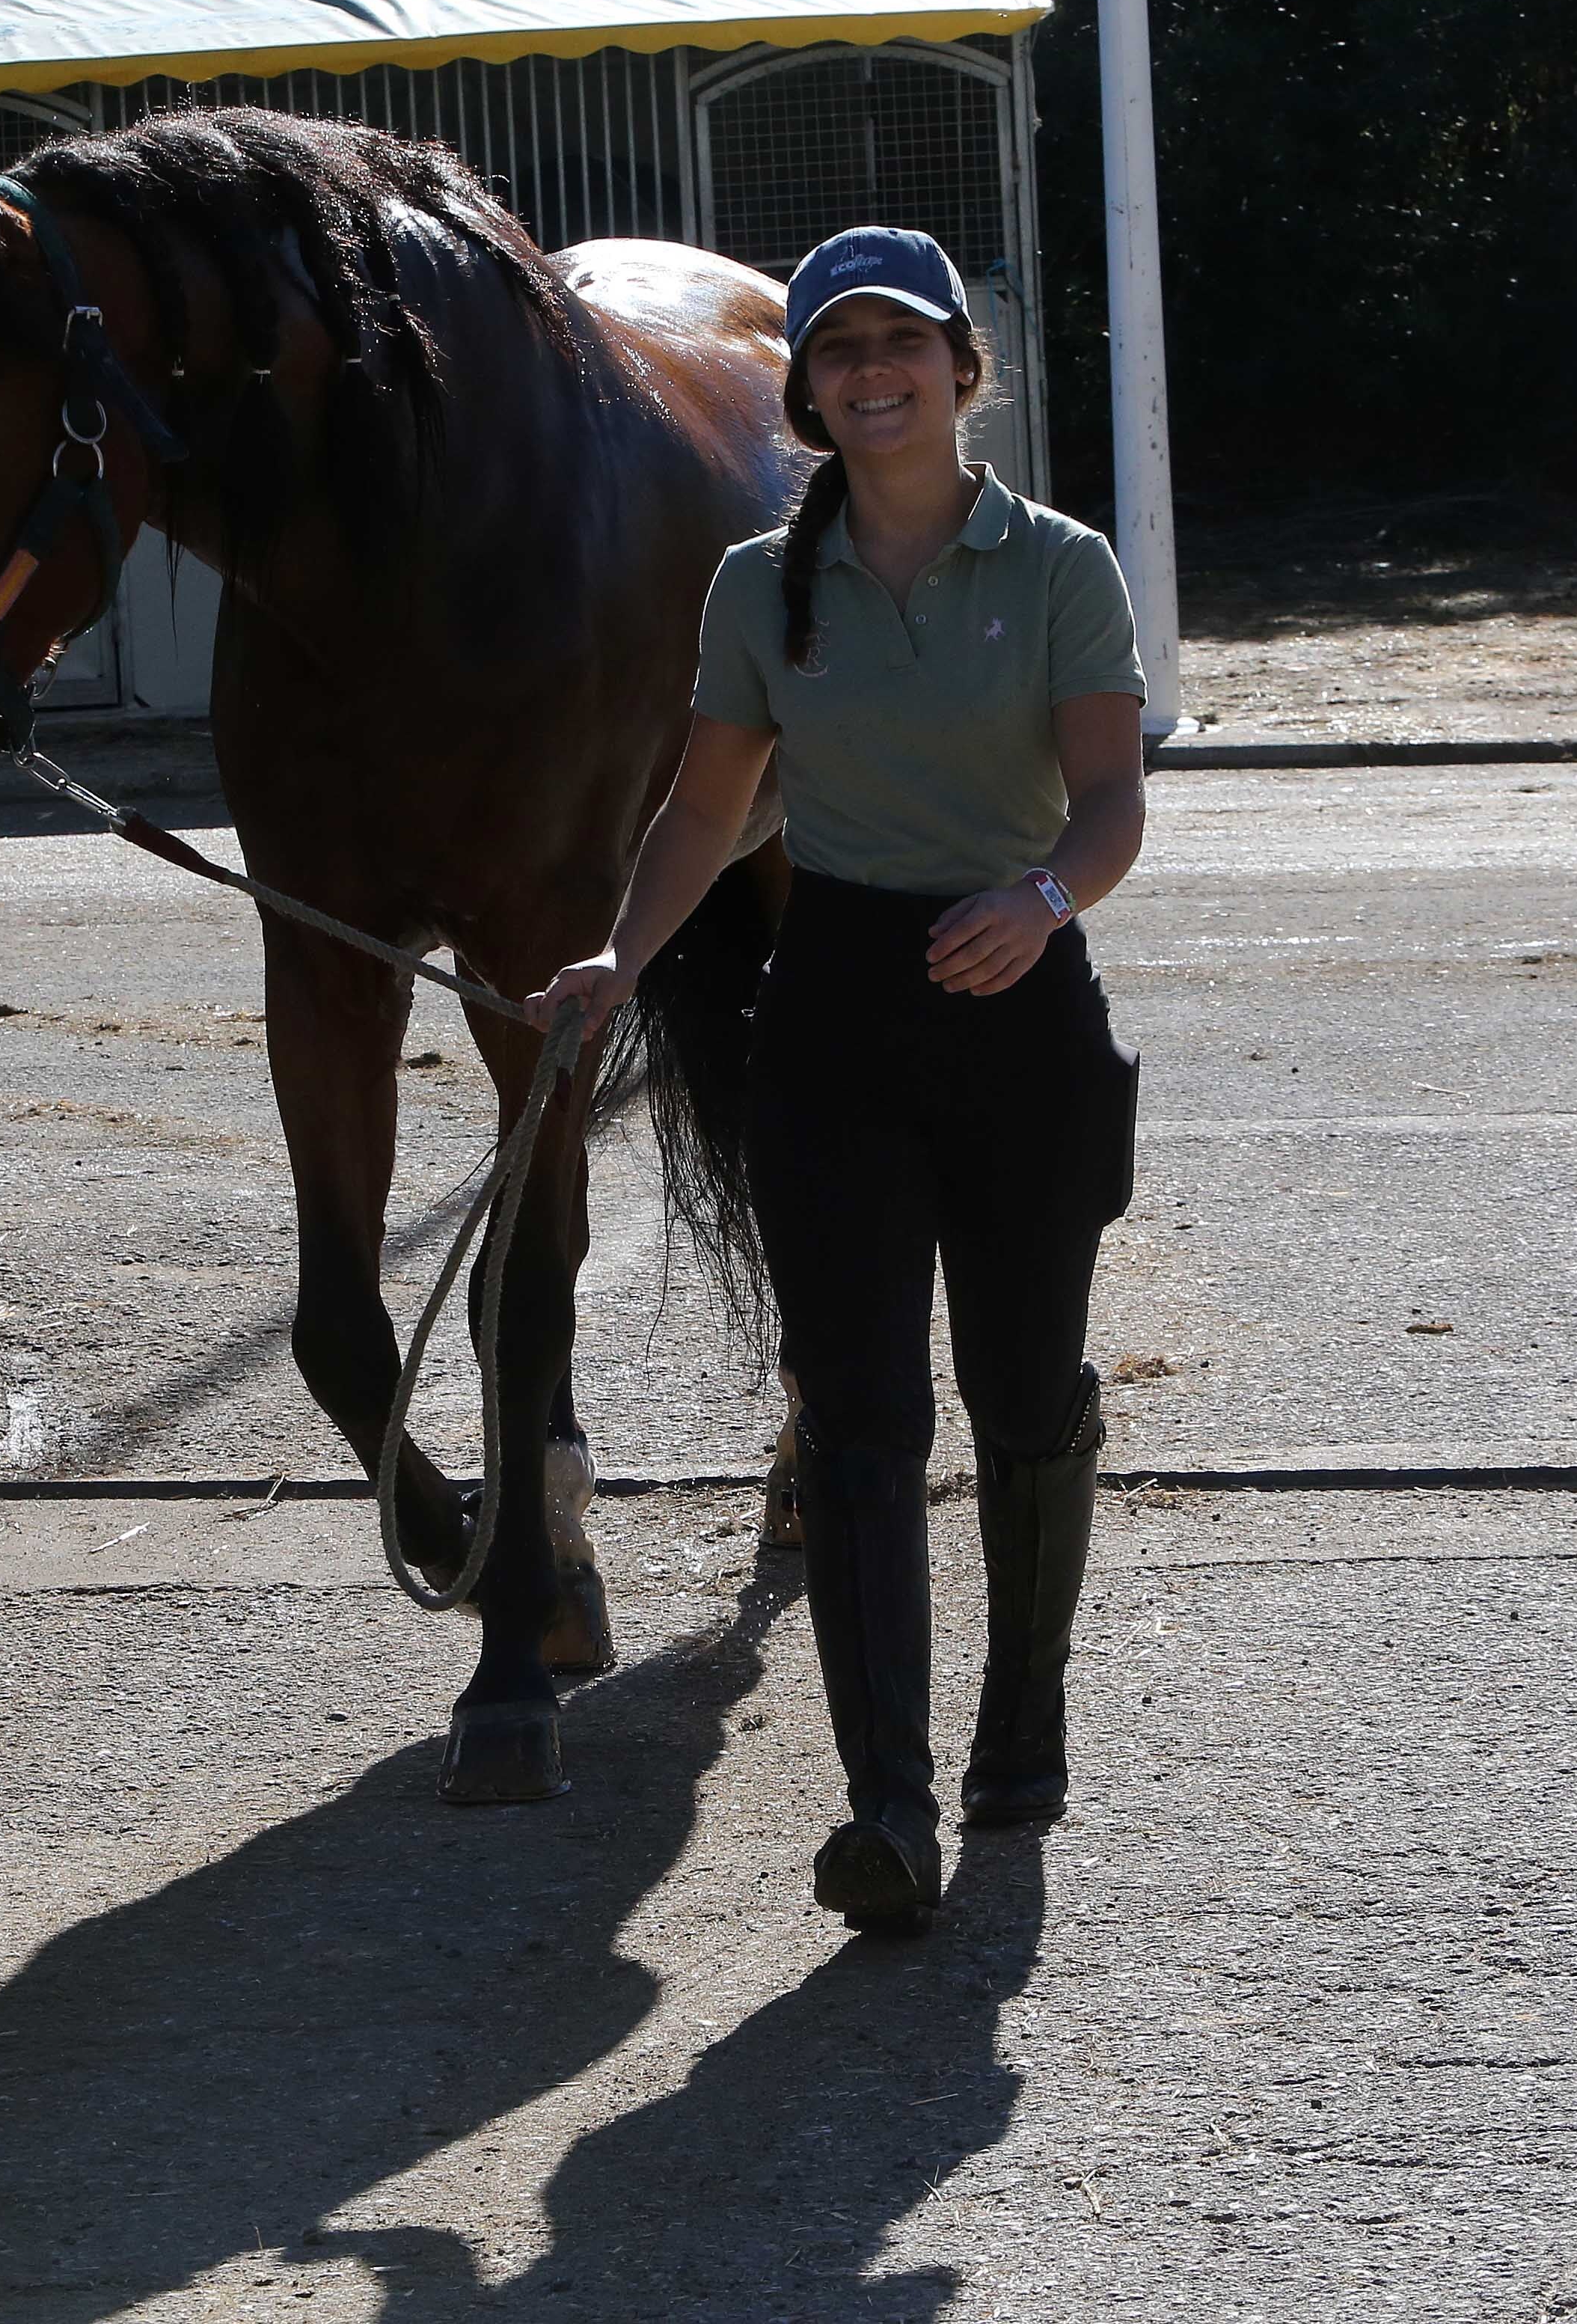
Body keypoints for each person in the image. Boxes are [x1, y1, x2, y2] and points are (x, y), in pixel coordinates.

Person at [531, 228, 1147, 1937]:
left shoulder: (1060, 568)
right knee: (865, 1418)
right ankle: (884, 1800)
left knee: (1022, 1398)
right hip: (834, 1019)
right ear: (804, 389)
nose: (870, 371)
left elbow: (1106, 807)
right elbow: (707, 811)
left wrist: (1037, 902)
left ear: (962, 366)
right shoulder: (757, 586)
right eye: (836, 350)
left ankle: (1014, 1740)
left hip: (1019, 1005)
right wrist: (619, 956)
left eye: (902, 342)